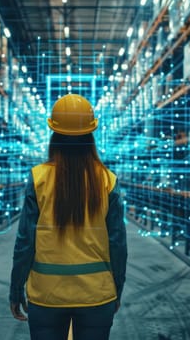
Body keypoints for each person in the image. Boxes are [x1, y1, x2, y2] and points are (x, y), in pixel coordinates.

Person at [9, 93, 127, 340]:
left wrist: (16, 289)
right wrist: (117, 288)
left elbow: (25, 242)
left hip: (47, 295)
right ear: (90, 135)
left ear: (54, 134)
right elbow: (118, 245)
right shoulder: (107, 181)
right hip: (96, 294)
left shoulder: (39, 178)